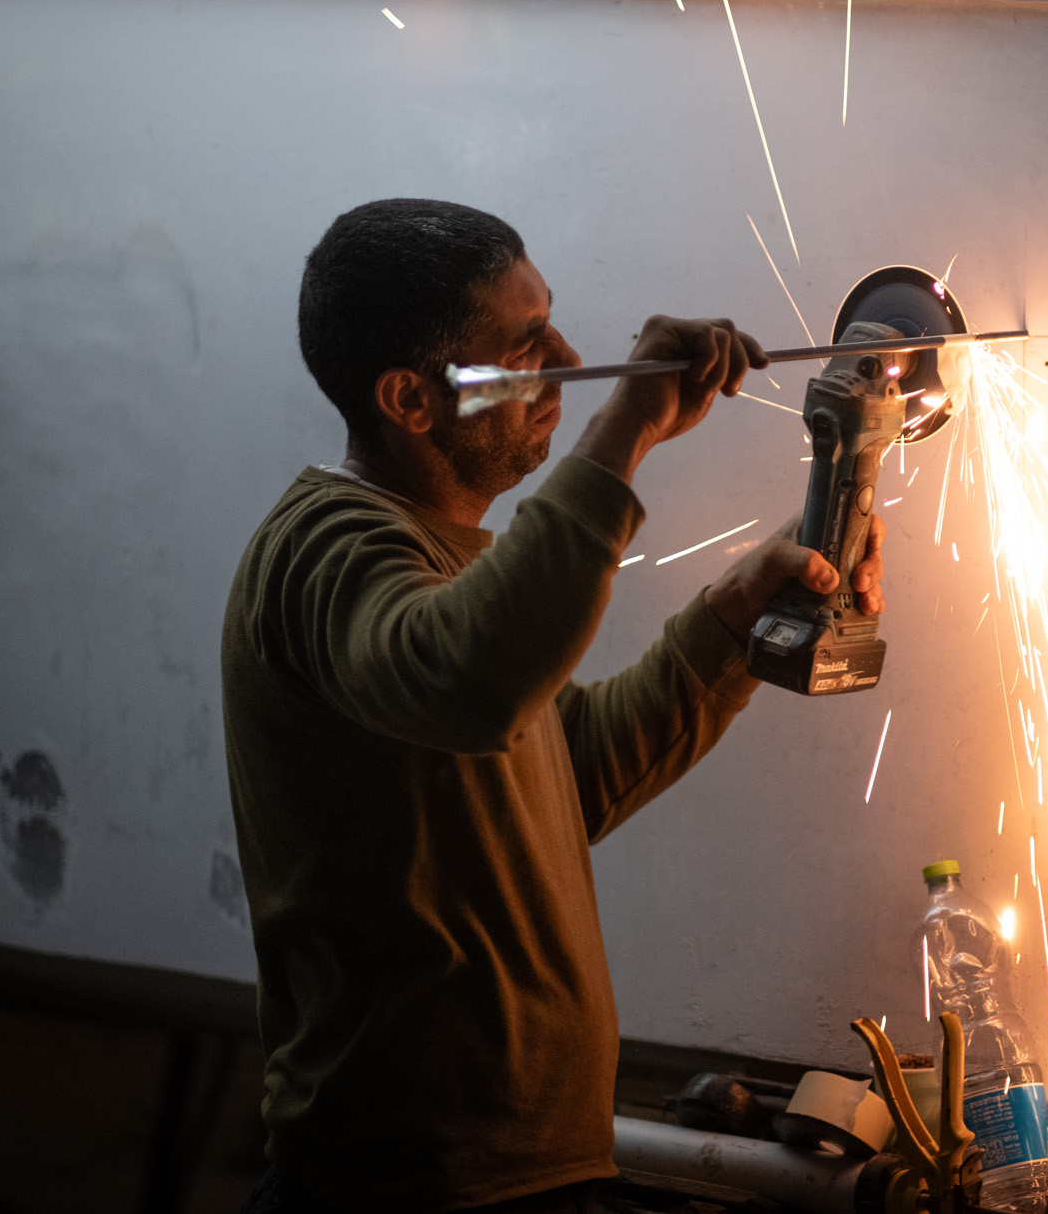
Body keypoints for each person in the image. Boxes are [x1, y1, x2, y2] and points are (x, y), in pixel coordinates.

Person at [221, 199, 886, 1214]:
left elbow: (563, 774)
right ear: (409, 399)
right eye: (525, 347)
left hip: (518, 1174)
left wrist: (736, 616)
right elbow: (473, 681)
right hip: (406, 1188)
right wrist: (624, 431)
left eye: (552, 322)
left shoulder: (437, 561)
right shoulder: (328, 552)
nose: (572, 361)